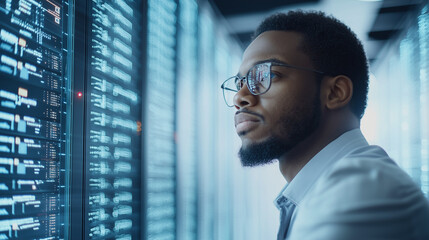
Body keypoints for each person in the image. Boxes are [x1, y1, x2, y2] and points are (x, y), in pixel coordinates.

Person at [221, 11, 429, 240]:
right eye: (241, 81)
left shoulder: (361, 191)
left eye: (265, 76)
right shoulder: (321, 190)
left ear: (335, 93)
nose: (239, 97)